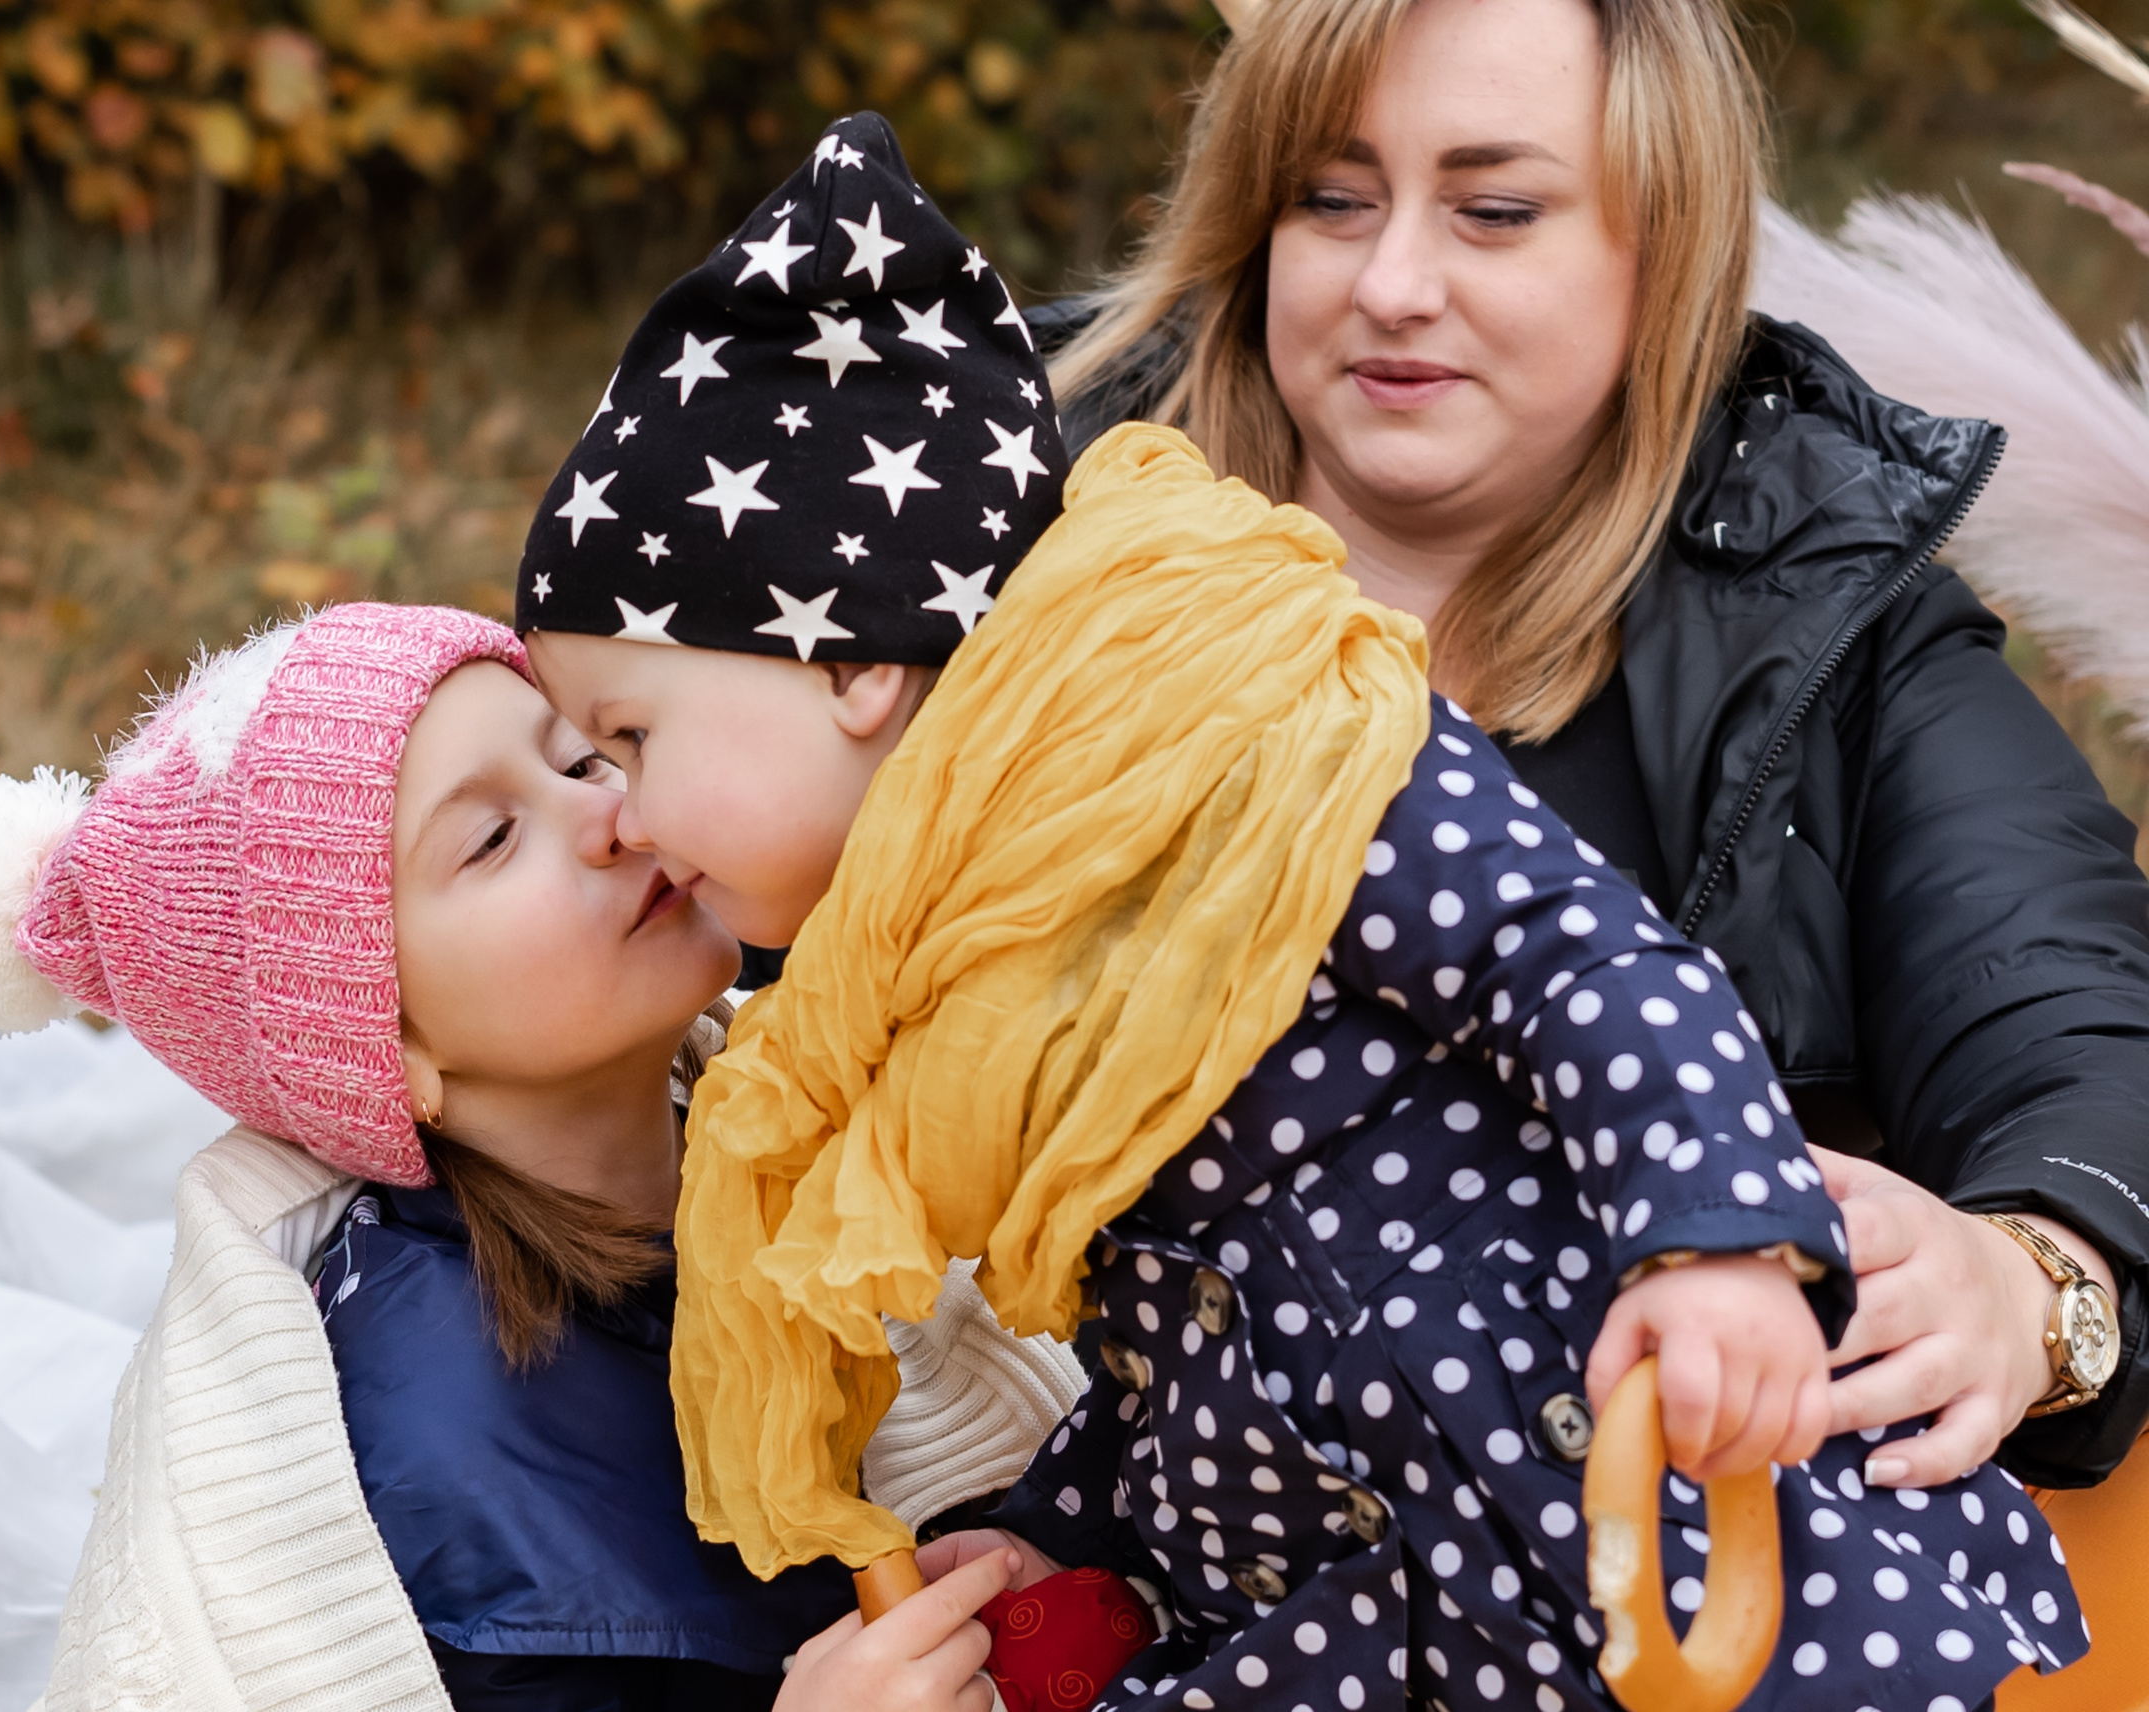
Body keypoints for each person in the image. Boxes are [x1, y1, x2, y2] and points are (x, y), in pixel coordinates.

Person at [513, 112, 2083, 1711]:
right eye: (1334, 199)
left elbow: (1585, 966)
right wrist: (1069, 1529)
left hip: (1616, 1507)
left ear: (851, 670)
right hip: (1384, 1593)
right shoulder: (945, 961)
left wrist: (1718, 1245)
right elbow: (1177, 1317)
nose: (617, 814)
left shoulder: (1256, 748)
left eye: (630, 738)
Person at [1036, 0, 2149, 1505]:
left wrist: (2031, 1272)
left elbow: (2065, 1015)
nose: (1394, 282)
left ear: (1662, 252)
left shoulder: (1829, 610)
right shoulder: (1013, 525)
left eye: (1495, 211)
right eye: (1332, 198)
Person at [0, 603, 1082, 1712]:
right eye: (494, 838)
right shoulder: (454, 1479)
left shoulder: (780, 1124)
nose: (609, 814)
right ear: (383, 1045)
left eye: (586, 755)